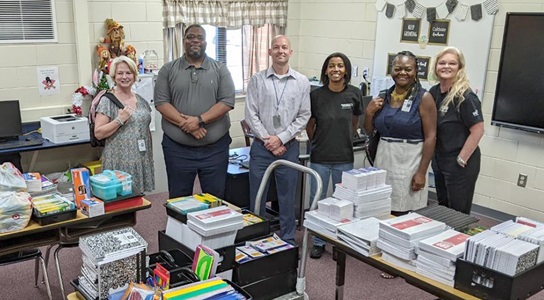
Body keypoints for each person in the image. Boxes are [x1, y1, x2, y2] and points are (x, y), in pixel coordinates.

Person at [154, 24, 235, 199]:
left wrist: (199, 120)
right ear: (183, 41)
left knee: (214, 199)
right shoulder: (168, 70)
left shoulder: (220, 69)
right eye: (190, 37)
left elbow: (227, 102)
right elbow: (161, 103)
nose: (195, 40)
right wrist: (189, 125)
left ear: (206, 42)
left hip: (215, 150)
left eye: (200, 37)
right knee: (179, 199)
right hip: (178, 150)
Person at [244, 35, 311, 245]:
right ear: (270, 52)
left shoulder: (301, 81)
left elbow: (304, 116)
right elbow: (250, 114)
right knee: (258, 195)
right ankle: (257, 236)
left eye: (284, 47)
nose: (280, 50)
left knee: (287, 196)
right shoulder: (257, 79)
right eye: (276, 47)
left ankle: (288, 238)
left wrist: (280, 139)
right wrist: (268, 141)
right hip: (261, 148)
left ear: (290, 52)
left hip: (288, 147)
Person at [363, 51, 436, 215]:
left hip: (410, 162)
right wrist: (368, 113)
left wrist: (422, 173)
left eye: (408, 69)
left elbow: (431, 137)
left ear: (415, 71)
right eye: (398, 68)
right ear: (391, 71)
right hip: (383, 161)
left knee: (405, 213)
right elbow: (369, 131)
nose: (402, 73)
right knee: (380, 209)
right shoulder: (384, 96)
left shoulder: (424, 98)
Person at [306, 52, 363, 258]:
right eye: (331, 66)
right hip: (320, 156)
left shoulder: (354, 94)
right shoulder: (316, 96)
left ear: (346, 69)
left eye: (340, 66)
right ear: (326, 70)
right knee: (318, 200)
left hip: (344, 158)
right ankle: (319, 241)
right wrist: (319, 141)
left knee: (343, 204)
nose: (336, 69)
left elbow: (354, 124)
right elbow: (310, 125)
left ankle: (340, 242)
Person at [430, 47, 484, 214]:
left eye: (452, 63)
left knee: (458, 212)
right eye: (442, 63)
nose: (446, 66)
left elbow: (478, 130)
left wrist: (461, 160)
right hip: (440, 160)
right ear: (436, 67)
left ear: (459, 68)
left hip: (460, 162)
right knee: (443, 206)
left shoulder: (465, 97)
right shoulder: (434, 92)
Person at [94, 56, 155, 194]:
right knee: (120, 200)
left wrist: (149, 157)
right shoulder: (107, 100)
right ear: (114, 76)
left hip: (140, 158)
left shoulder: (141, 101)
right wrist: (119, 120)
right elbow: (98, 133)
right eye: (120, 73)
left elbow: (145, 130)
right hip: (119, 160)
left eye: (128, 73)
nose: (124, 77)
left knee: (138, 199)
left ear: (134, 76)